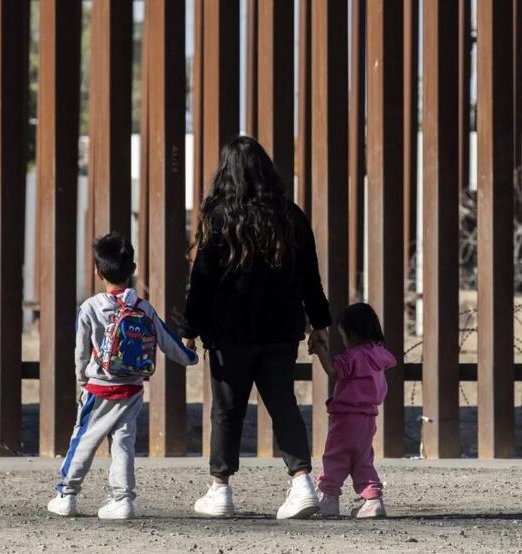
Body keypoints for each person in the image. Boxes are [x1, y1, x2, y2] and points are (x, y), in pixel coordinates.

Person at [181, 136, 331, 520]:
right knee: (283, 404)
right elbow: (310, 276)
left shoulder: (219, 219)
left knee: (227, 411)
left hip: (229, 334)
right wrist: (321, 323)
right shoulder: (291, 216)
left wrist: (189, 327)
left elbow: (202, 282)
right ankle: (301, 483)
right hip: (280, 331)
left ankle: (221, 490)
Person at [47, 232, 199, 520]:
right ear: (132, 269)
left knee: (84, 440)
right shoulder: (142, 307)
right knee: (123, 443)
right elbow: (167, 340)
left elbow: (81, 351)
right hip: (131, 388)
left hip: (99, 389)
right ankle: (123, 499)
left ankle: (66, 494)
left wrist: (83, 379)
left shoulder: (90, 307)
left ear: (97, 270)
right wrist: (190, 357)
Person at [307, 303, 397, 519]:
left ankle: (328, 498)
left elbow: (333, 370)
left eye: (343, 335)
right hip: (368, 418)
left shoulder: (354, 356)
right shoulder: (379, 355)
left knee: (335, 456)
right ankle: (373, 500)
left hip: (346, 418)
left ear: (353, 334)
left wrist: (321, 350)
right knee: (362, 459)